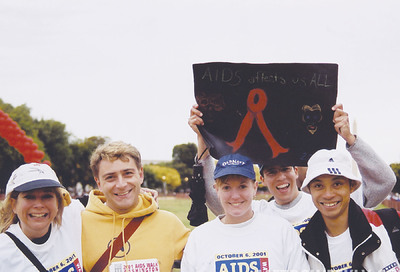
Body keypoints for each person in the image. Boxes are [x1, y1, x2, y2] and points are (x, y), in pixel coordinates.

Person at [188, 103, 396, 231]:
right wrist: (202, 139)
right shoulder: (258, 211)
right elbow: (215, 200)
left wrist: (350, 140)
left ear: (296, 171)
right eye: (271, 172)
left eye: (285, 169)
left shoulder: (326, 200)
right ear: (262, 179)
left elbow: (384, 182)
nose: (280, 177)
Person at [180, 153, 309, 271]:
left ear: (255, 187)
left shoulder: (282, 230)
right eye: (226, 187)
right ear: (216, 189)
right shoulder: (199, 238)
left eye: (242, 186)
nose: (235, 196)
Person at [81, 141, 190, 272]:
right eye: (110, 177)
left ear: (141, 174)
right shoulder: (80, 225)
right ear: (98, 182)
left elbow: (207, 256)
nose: (121, 184)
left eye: (128, 173)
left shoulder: (169, 223)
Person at [300, 149, 400, 271]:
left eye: (337, 184)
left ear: (351, 186)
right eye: (318, 186)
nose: (328, 194)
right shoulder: (303, 247)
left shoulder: (382, 229)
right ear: (310, 190)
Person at [0, 163, 84, 271]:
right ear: (14, 205)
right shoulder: (3, 253)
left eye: (47, 196)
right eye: (29, 197)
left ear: (58, 202)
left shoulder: (72, 216)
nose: (39, 205)